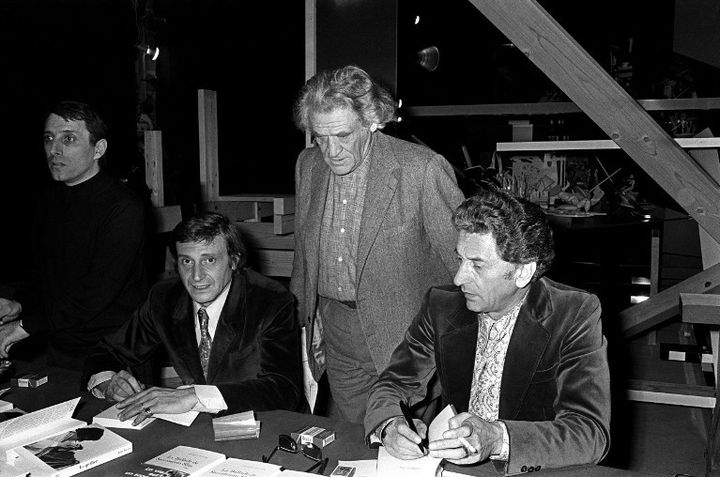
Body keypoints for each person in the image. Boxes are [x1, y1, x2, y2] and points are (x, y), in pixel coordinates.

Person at [365, 188, 610, 474]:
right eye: (460, 260)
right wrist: (389, 425)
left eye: (477, 265)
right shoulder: (441, 305)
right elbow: (393, 383)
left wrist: (497, 439)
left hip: (533, 466)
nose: (458, 279)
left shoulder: (574, 313)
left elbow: (590, 433)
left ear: (522, 272)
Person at [290, 65, 465, 422]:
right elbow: (303, 256)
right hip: (336, 331)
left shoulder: (422, 169)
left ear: (372, 121)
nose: (330, 151)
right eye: (319, 137)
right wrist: (298, 321)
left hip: (408, 338)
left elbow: (464, 263)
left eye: (341, 135)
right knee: (352, 445)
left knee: (407, 450)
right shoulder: (307, 166)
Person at [83, 212, 304, 423]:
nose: (196, 276)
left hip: (262, 423)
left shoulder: (270, 301)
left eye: (209, 261)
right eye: (187, 262)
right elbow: (108, 351)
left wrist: (196, 396)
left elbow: (284, 389)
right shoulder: (164, 298)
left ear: (234, 261)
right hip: (197, 428)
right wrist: (107, 382)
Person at [0, 101, 148, 368]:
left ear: (98, 149)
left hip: (115, 354)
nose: (54, 150)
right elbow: (43, 279)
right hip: (61, 347)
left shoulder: (124, 207)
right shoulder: (48, 201)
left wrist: (22, 326)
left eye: (68, 139)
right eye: (49, 138)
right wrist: (18, 304)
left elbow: (94, 294)